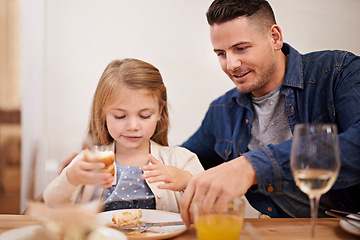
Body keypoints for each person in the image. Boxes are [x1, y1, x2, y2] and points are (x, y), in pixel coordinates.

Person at [180, 0, 360, 225]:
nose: (231, 64)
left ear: (274, 37)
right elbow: (181, 159)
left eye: (241, 48)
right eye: (221, 53)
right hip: (281, 232)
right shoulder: (222, 110)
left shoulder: (339, 72)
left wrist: (252, 166)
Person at [43, 58, 204, 213]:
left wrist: (187, 181)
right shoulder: (89, 161)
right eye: (120, 116)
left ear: (160, 111)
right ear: (103, 114)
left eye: (145, 115)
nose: (133, 126)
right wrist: (70, 178)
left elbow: (213, 208)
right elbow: (50, 202)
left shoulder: (181, 160)